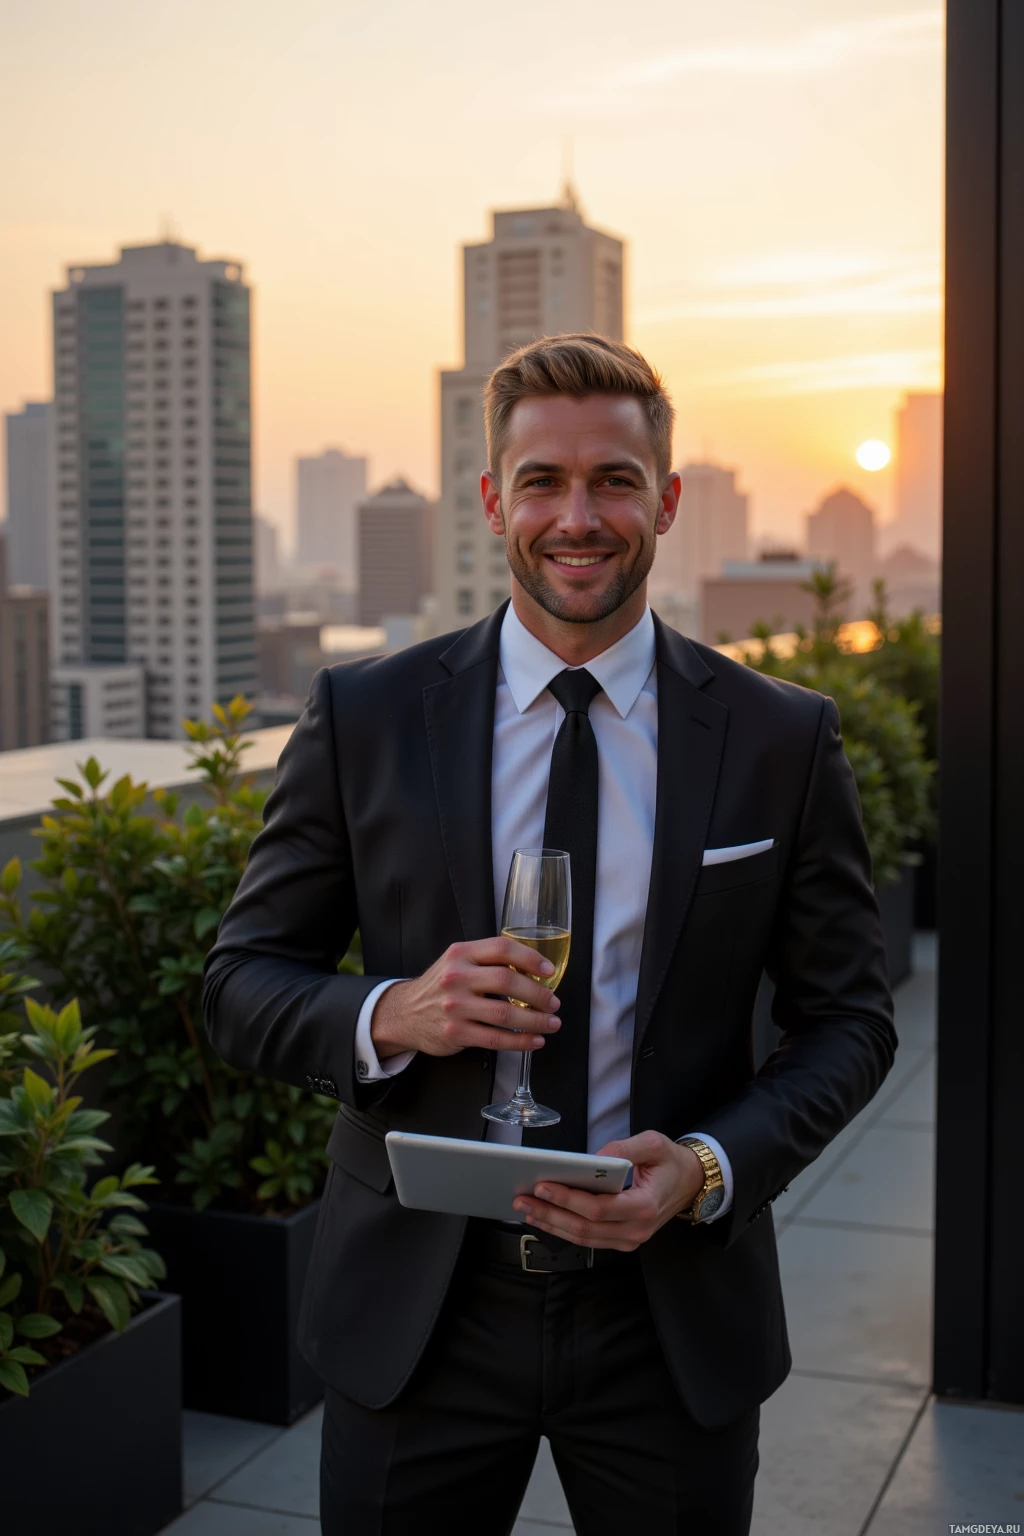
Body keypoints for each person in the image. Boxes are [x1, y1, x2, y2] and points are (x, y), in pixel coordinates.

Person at [203, 333, 896, 1535]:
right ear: (492, 500)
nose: (578, 517)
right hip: (417, 1312)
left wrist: (707, 1168)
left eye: (615, 481)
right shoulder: (361, 715)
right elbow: (236, 985)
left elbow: (849, 1021)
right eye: (543, 482)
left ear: (666, 500)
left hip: (669, 1310)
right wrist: (390, 1011)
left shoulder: (782, 737)